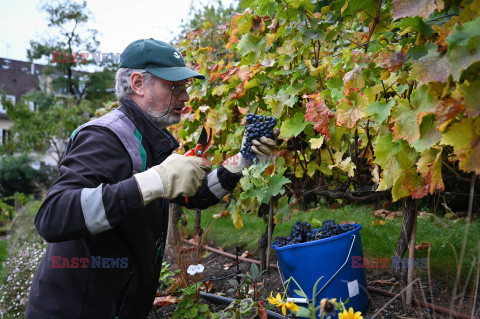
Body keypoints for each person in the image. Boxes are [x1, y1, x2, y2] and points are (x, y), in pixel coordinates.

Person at [25, 38, 279, 318]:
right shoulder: (105, 137)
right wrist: (154, 181)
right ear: (137, 83)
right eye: (174, 86)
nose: (184, 97)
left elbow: (191, 195)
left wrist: (240, 164)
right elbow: (53, 216)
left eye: (185, 87)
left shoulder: (148, 138)